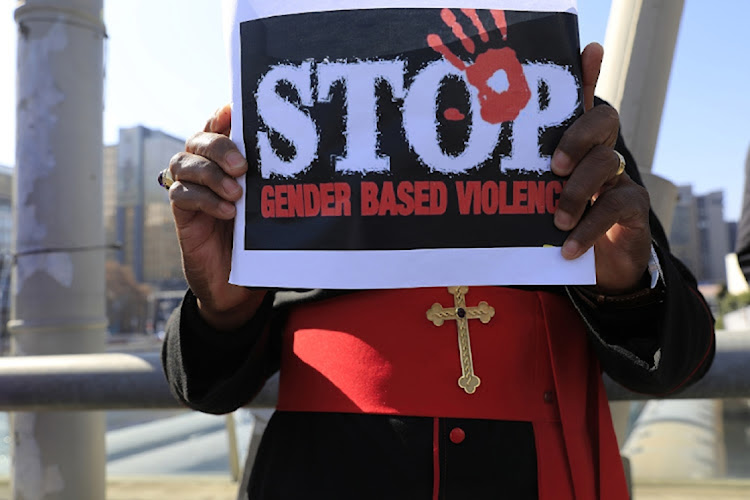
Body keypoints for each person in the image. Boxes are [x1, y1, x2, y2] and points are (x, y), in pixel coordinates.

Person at [160, 41, 714, 500]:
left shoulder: (567, 114)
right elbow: (207, 389)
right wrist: (223, 306)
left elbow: (677, 364)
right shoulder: (284, 108)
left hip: (535, 475)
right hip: (319, 470)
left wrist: (629, 288)